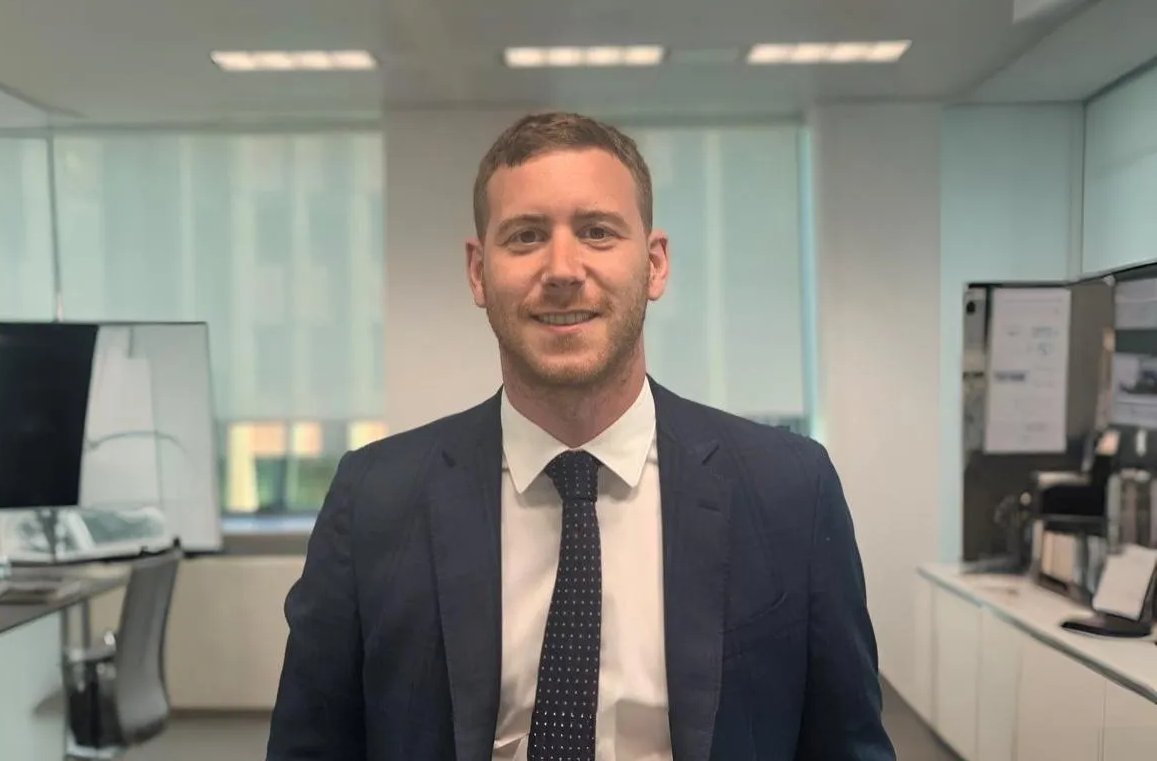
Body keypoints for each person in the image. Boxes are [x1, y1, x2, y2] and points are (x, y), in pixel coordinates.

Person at [267, 112, 895, 761]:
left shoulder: (789, 490)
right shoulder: (375, 499)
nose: (563, 269)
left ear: (654, 263)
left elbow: (847, 747)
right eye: (526, 236)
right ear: (478, 271)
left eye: (597, 232)